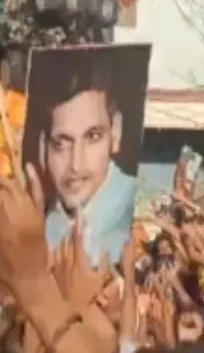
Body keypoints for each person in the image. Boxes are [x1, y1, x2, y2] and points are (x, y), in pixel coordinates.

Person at [32, 55, 136, 265]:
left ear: (116, 132)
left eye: (92, 137)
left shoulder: (140, 211)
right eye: (61, 144)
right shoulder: (37, 225)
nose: (75, 165)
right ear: (43, 146)